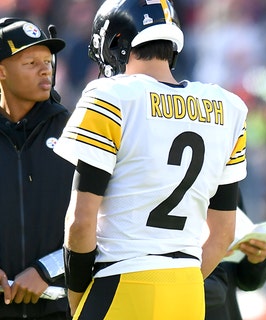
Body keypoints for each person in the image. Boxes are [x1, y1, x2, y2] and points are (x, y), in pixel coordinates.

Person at [53, 0, 248, 319]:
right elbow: (224, 232)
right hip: (186, 290)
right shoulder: (229, 107)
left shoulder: (110, 95)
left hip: (121, 282)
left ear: (115, 44)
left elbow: (81, 221)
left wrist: (78, 298)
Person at [0, 17, 72, 320]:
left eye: (47, 60)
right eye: (30, 62)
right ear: (1, 71)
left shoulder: (76, 132)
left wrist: (46, 271)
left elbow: (101, 224)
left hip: (59, 308)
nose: (46, 69)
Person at [205, 193, 266, 320]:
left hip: (227, 310)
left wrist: (255, 259)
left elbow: (248, 282)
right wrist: (212, 253)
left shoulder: (227, 183)